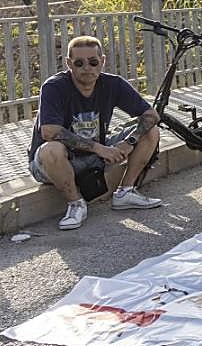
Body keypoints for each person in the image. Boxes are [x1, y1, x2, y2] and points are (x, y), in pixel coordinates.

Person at [28, 35, 163, 230]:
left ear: (102, 61)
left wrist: (128, 142)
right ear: (69, 64)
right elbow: (49, 131)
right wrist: (98, 148)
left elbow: (151, 115)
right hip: (54, 163)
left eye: (93, 62)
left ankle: (125, 192)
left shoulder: (113, 84)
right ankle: (76, 204)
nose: (87, 68)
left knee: (151, 131)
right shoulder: (54, 87)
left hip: (95, 155)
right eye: (79, 63)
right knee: (51, 149)